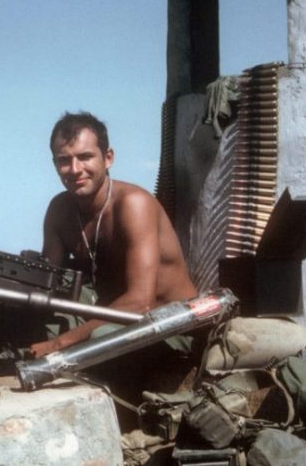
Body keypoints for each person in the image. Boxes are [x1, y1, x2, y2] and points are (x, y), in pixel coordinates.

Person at [30, 112, 198, 357]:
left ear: (108, 158)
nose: (75, 169)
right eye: (64, 160)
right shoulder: (60, 210)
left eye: (85, 157)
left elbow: (140, 302)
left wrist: (59, 344)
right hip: (113, 316)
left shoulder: (133, 205)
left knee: (100, 339)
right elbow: (46, 285)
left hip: (173, 327)